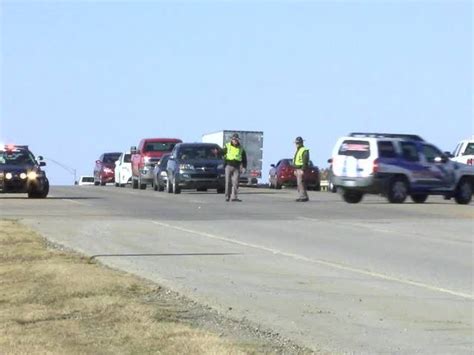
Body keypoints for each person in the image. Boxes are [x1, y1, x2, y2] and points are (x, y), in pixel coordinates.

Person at [223, 133, 247, 202]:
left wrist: (244, 167)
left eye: (236, 139)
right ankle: (227, 196)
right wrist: (217, 152)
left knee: (236, 182)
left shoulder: (241, 148)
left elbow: (244, 159)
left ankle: (234, 197)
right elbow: (222, 152)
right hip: (228, 166)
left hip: (237, 167)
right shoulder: (227, 146)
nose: (235, 141)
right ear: (232, 139)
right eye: (234, 139)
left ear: (238, 140)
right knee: (228, 182)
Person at [293, 136, 309, 202]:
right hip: (297, 169)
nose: (296, 144)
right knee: (299, 184)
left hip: (300, 169)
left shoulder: (304, 150)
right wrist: (295, 169)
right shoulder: (298, 150)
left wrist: (303, 169)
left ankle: (303, 197)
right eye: (296, 143)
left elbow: (305, 160)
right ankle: (302, 196)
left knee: (301, 183)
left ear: (301, 143)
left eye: (298, 143)